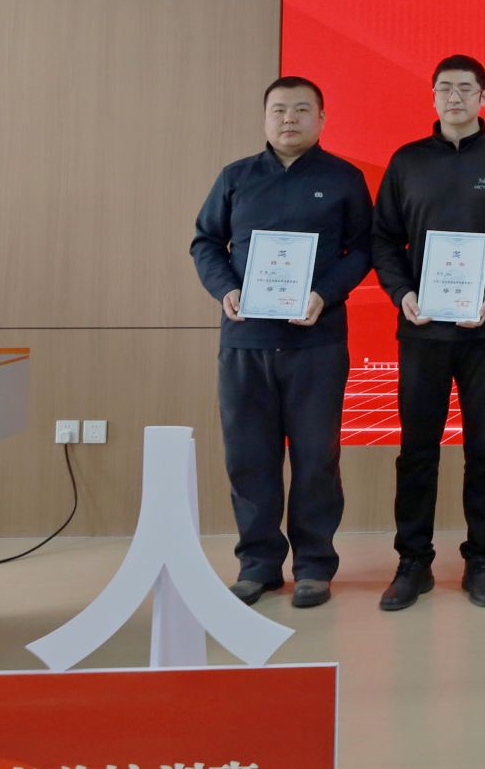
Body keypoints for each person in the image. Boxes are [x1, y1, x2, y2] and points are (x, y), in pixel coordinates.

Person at [371, 54, 485, 612]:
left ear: (483, 97)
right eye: (445, 88)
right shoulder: (407, 162)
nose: (455, 97)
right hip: (422, 330)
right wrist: (402, 293)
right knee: (416, 450)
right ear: (432, 96)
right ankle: (413, 561)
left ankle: (481, 559)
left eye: (465, 88)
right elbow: (383, 240)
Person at [190, 76, 372, 609]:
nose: (289, 118)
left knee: (317, 458)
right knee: (249, 456)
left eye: (301, 109)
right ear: (265, 117)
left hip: (316, 342)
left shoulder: (343, 179)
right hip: (246, 341)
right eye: (278, 109)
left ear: (321, 118)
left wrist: (323, 293)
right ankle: (259, 564)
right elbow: (205, 242)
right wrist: (225, 289)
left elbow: (363, 250)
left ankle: (314, 565)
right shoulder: (236, 177)